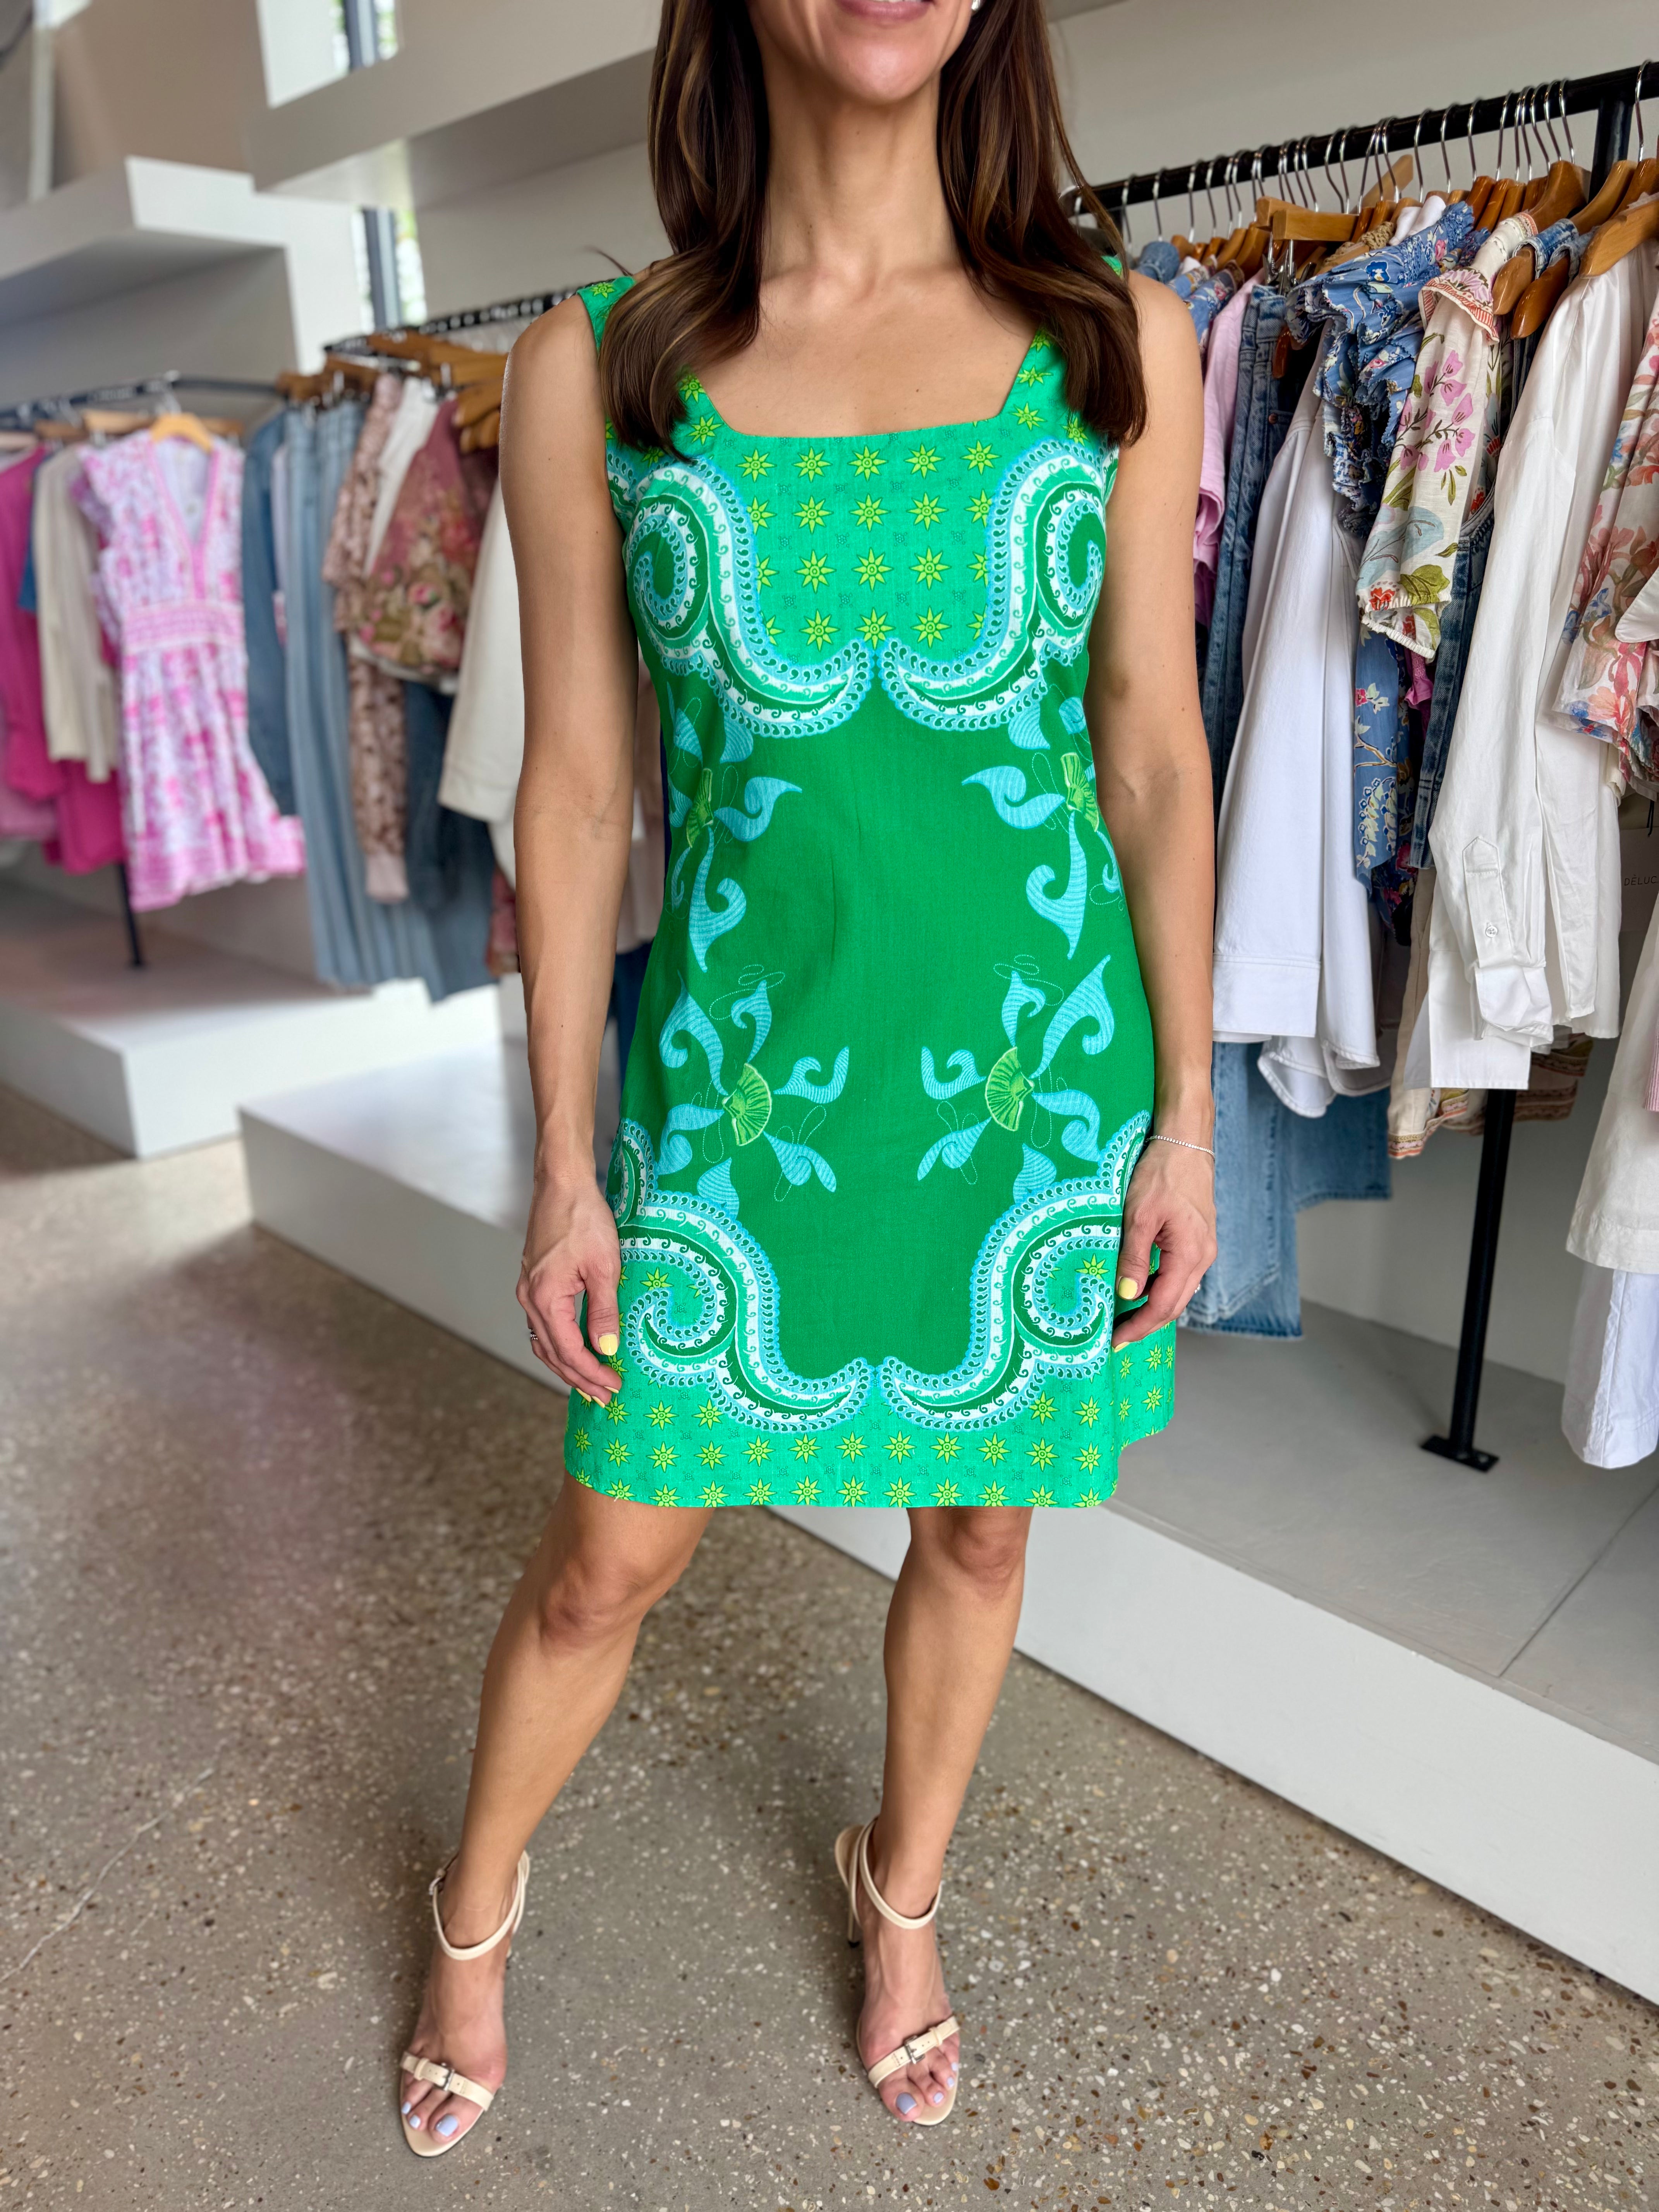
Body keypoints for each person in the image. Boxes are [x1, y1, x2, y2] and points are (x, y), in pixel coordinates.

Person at [397, 0, 1215, 2159]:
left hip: (1032, 1100)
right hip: (735, 1102)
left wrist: (1188, 1117)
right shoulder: (599, 368)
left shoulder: (1117, 341)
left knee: (980, 1525)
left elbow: (1152, 752)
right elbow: (578, 794)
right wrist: (566, 1162)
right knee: (607, 1556)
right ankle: (474, 1908)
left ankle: (901, 1894)